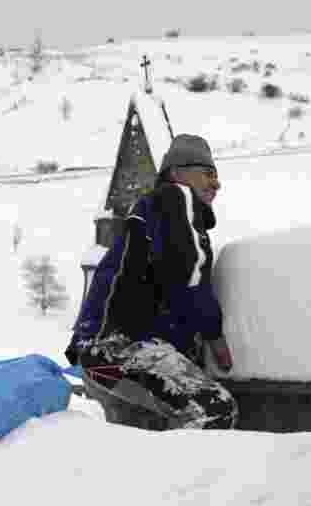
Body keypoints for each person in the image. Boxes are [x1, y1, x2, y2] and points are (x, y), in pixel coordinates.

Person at [64, 134, 238, 430]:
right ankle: (200, 478)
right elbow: (191, 277)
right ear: (178, 174)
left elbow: (160, 278)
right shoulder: (175, 198)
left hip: (97, 354)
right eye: (208, 173)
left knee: (148, 437)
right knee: (214, 410)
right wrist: (215, 337)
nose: (216, 184)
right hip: (123, 347)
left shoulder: (153, 213)